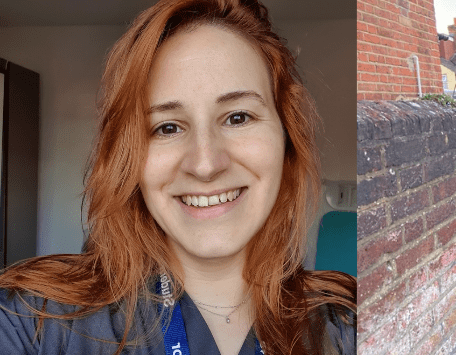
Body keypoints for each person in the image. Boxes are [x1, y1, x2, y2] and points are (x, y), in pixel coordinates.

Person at [0, 0, 356, 354]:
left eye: (237, 117)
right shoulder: (31, 322)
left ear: (286, 137)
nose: (205, 164)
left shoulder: (349, 325)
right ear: (130, 157)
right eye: (167, 127)